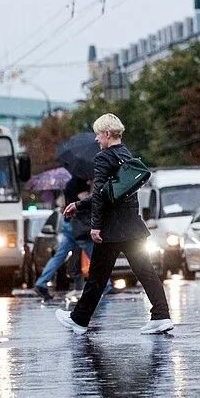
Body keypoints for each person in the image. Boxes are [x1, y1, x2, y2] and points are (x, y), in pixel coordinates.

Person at [55, 113, 173, 335]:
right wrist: (79, 205)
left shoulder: (103, 158)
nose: (97, 140)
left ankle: (79, 320)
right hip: (132, 226)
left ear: (107, 134)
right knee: (146, 273)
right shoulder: (126, 155)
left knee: (97, 277)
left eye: (98, 135)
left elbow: (100, 195)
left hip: (111, 229)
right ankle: (161, 316)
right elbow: (112, 193)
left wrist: (95, 225)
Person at [34, 176, 97, 301]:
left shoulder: (70, 183)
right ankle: (105, 284)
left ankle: (41, 283)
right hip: (78, 225)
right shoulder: (79, 184)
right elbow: (87, 201)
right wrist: (93, 189)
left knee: (59, 256)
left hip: (68, 223)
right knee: (94, 255)